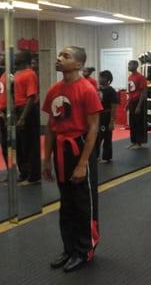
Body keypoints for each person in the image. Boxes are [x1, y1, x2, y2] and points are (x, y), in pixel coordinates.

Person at [42, 46, 102, 273]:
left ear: (78, 64)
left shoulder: (86, 89)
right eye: (60, 55)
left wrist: (83, 163)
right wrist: (46, 159)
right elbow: (50, 127)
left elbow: (94, 128)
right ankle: (69, 249)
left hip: (80, 147)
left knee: (83, 204)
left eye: (65, 56)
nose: (59, 58)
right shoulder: (54, 89)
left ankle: (84, 250)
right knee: (66, 204)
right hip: (60, 149)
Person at [14, 50, 41, 185]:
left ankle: (34, 175)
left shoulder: (30, 74)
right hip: (17, 110)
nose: (15, 56)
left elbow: (31, 97)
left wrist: (23, 117)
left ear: (24, 59)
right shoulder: (17, 74)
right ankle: (23, 172)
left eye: (17, 55)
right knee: (20, 145)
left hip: (27, 111)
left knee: (30, 144)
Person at [96, 70, 118, 163]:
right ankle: (96, 156)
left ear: (107, 79)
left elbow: (114, 107)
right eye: (99, 77)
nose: (99, 79)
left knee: (107, 137)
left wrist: (111, 122)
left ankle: (106, 157)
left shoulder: (111, 91)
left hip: (107, 115)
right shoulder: (98, 89)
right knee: (97, 136)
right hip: (98, 115)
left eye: (101, 77)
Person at [127, 60, 147, 149]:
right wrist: (128, 103)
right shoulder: (130, 77)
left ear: (136, 65)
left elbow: (143, 92)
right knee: (132, 123)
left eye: (130, 64)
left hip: (139, 101)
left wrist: (139, 106)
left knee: (138, 123)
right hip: (132, 102)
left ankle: (139, 143)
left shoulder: (141, 77)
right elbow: (131, 92)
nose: (128, 66)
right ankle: (134, 141)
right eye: (128, 64)